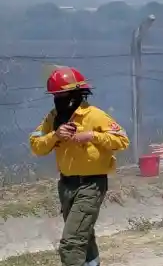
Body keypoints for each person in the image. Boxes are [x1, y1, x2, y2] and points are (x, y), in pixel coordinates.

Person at [29, 66, 130, 266]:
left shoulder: (94, 115)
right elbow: (36, 145)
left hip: (91, 186)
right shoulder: (52, 118)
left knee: (72, 243)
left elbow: (122, 140)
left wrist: (92, 136)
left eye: (62, 94)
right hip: (66, 186)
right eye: (55, 95)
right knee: (84, 235)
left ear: (76, 93)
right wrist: (55, 135)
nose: (58, 98)